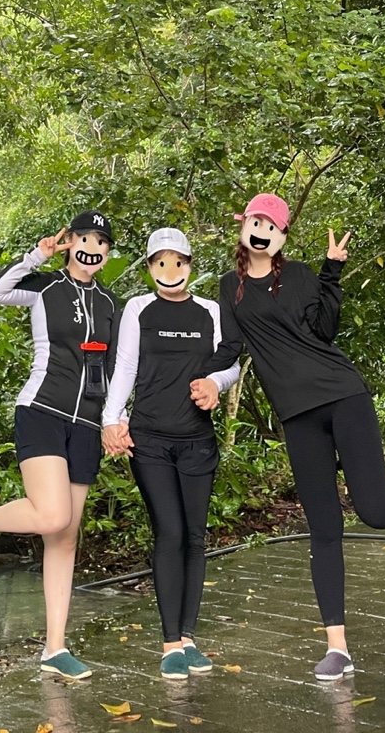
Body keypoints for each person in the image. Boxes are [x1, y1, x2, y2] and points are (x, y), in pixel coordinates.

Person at [190, 193, 385, 683]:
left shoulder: (301, 276)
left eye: (272, 226)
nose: (262, 232)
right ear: (243, 228)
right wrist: (204, 378)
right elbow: (231, 346)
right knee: (324, 529)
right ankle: (338, 649)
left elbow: (325, 330)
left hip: (342, 395)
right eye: (255, 223)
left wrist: (331, 271)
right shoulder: (232, 287)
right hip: (297, 417)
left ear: (282, 236)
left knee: (376, 510)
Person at [0, 209, 121, 682]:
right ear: (71, 242)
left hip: (88, 424)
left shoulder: (110, 303)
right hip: (43, 410)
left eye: (101, 241)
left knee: (65, 537)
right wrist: (36, 256)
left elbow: (117, 368)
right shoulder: (45, 287)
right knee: (52, 515)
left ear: (107, 252)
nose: (92, 247)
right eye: (84, 238)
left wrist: (117, 419)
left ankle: (54, 647)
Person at [102, 228, 241, 680]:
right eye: (160, 262)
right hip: (150, 440)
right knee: (170, 531)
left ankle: (188, 638)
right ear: (149, 268)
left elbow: (230, 362)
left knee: (195, 537)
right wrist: (111, 418)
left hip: (197, 440)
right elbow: (125, 366)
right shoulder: (138, 309)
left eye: (178, 261)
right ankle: (169, 645)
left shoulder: (211, 311)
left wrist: (215, 384)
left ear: (189, 264)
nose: (170, 269)